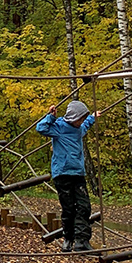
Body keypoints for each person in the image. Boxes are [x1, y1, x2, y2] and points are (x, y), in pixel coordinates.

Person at [36, 100, 101, 253]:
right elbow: (41, 128)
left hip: (78, 173)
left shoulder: (79, 128)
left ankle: (81, 240)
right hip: (63, 173)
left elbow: (84, 127)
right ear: (73, 117)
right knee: (69, 208)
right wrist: (50, 117)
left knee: (84, 206)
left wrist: (92, 118)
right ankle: (68, 239)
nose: (82, 122)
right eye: (81, 119)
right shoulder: (58, 127)